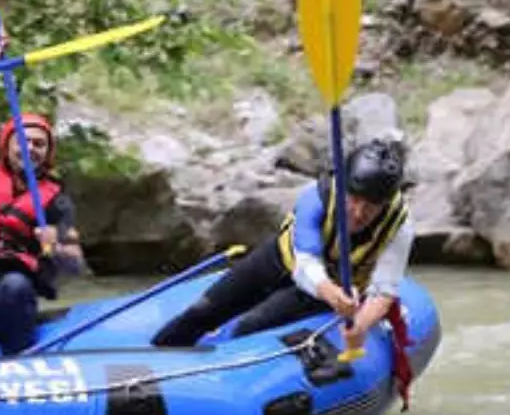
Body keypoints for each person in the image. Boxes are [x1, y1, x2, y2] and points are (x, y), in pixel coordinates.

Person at [151, 138, 414, 353]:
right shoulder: (316, 197)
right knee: (202, 311)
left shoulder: (399, 226)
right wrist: (328, 291)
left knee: (248, 328)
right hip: (286, 262)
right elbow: (305, 262)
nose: (358, 213)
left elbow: (384, 289)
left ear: (386, 203)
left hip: (336, 286)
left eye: (370, 207)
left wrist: (360, 325)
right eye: (353, 200)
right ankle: (156, 359)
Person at [0, 32, 84, 353]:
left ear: (48, 152)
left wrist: (55, 246)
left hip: (10, 293)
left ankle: (18, 355)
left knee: (16, 286)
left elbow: (75, 263)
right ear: (6, 145)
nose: (30, 148)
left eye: (39, 144)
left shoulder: (56, 200)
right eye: (22, 140)